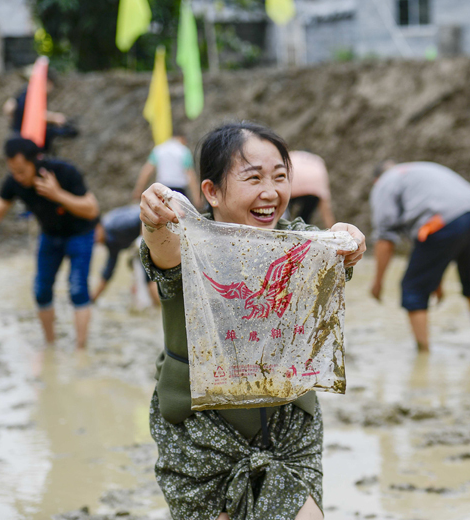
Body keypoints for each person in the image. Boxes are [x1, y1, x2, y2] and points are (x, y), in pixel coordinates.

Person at [139, 122, 365, 520]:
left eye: (280, 177)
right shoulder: (187, 241)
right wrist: (154, 220)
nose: (271, 193)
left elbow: (335, 248)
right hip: (200, 434)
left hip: (288, 424)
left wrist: (347, 240)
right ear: (211, 192)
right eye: (254, 178)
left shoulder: (299, 243)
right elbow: (162, 246)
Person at [0, 138, 99, 348]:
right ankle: (50, 346)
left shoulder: (64, 171)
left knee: (78, 290)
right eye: (13, 171)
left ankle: (81, 350)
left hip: (80, 235)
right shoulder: (14, 182)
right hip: (50, 236)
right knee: (41, 291)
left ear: (36, 161)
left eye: (22, 170)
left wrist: (57, 194)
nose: (18, 176)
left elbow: (92, 209)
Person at [370, 161, 470, 351]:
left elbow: (385, 238)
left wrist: (377, 282)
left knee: (412, 288)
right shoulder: (419, 169)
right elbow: (436, 254)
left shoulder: (384, 183)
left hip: (441, 222)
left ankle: (423, 354)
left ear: (376, 180)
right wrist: (436, 281)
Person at [91, 205, 158, 306]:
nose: (93, 240)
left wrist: (143, 242)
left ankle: (162, 308)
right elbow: (108, 271)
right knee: (145, 276)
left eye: (93, 234)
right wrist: (91, 301)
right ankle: (159, 308)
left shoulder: (114, 225)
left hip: (154, 225)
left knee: (149, 275)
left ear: (98, 227)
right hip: (143, 242)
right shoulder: (109, 241)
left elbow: (143, 216)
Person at [2, 69, 76, 154]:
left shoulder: (26, 91)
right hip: (26, 139)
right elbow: (34, 113)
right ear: (47, 82)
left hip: (20, 136)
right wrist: (55, 118)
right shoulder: (32, 94)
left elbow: (8, 108)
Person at [133, 135, 201, 205]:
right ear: (182, 138)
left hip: (162, 188)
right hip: (179, 190)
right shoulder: (184, 151)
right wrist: (197, 197)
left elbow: (146, 171)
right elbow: (190, 175)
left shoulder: (159, 149)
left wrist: (138, 191)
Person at [288, 151, 335, 227]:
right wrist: (333, 230)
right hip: (314, 191)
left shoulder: (292, 155)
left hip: (292, 186)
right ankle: (301, 229)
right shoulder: (318, 161)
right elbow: (326, 207)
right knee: (304, 218)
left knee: (285, 212)